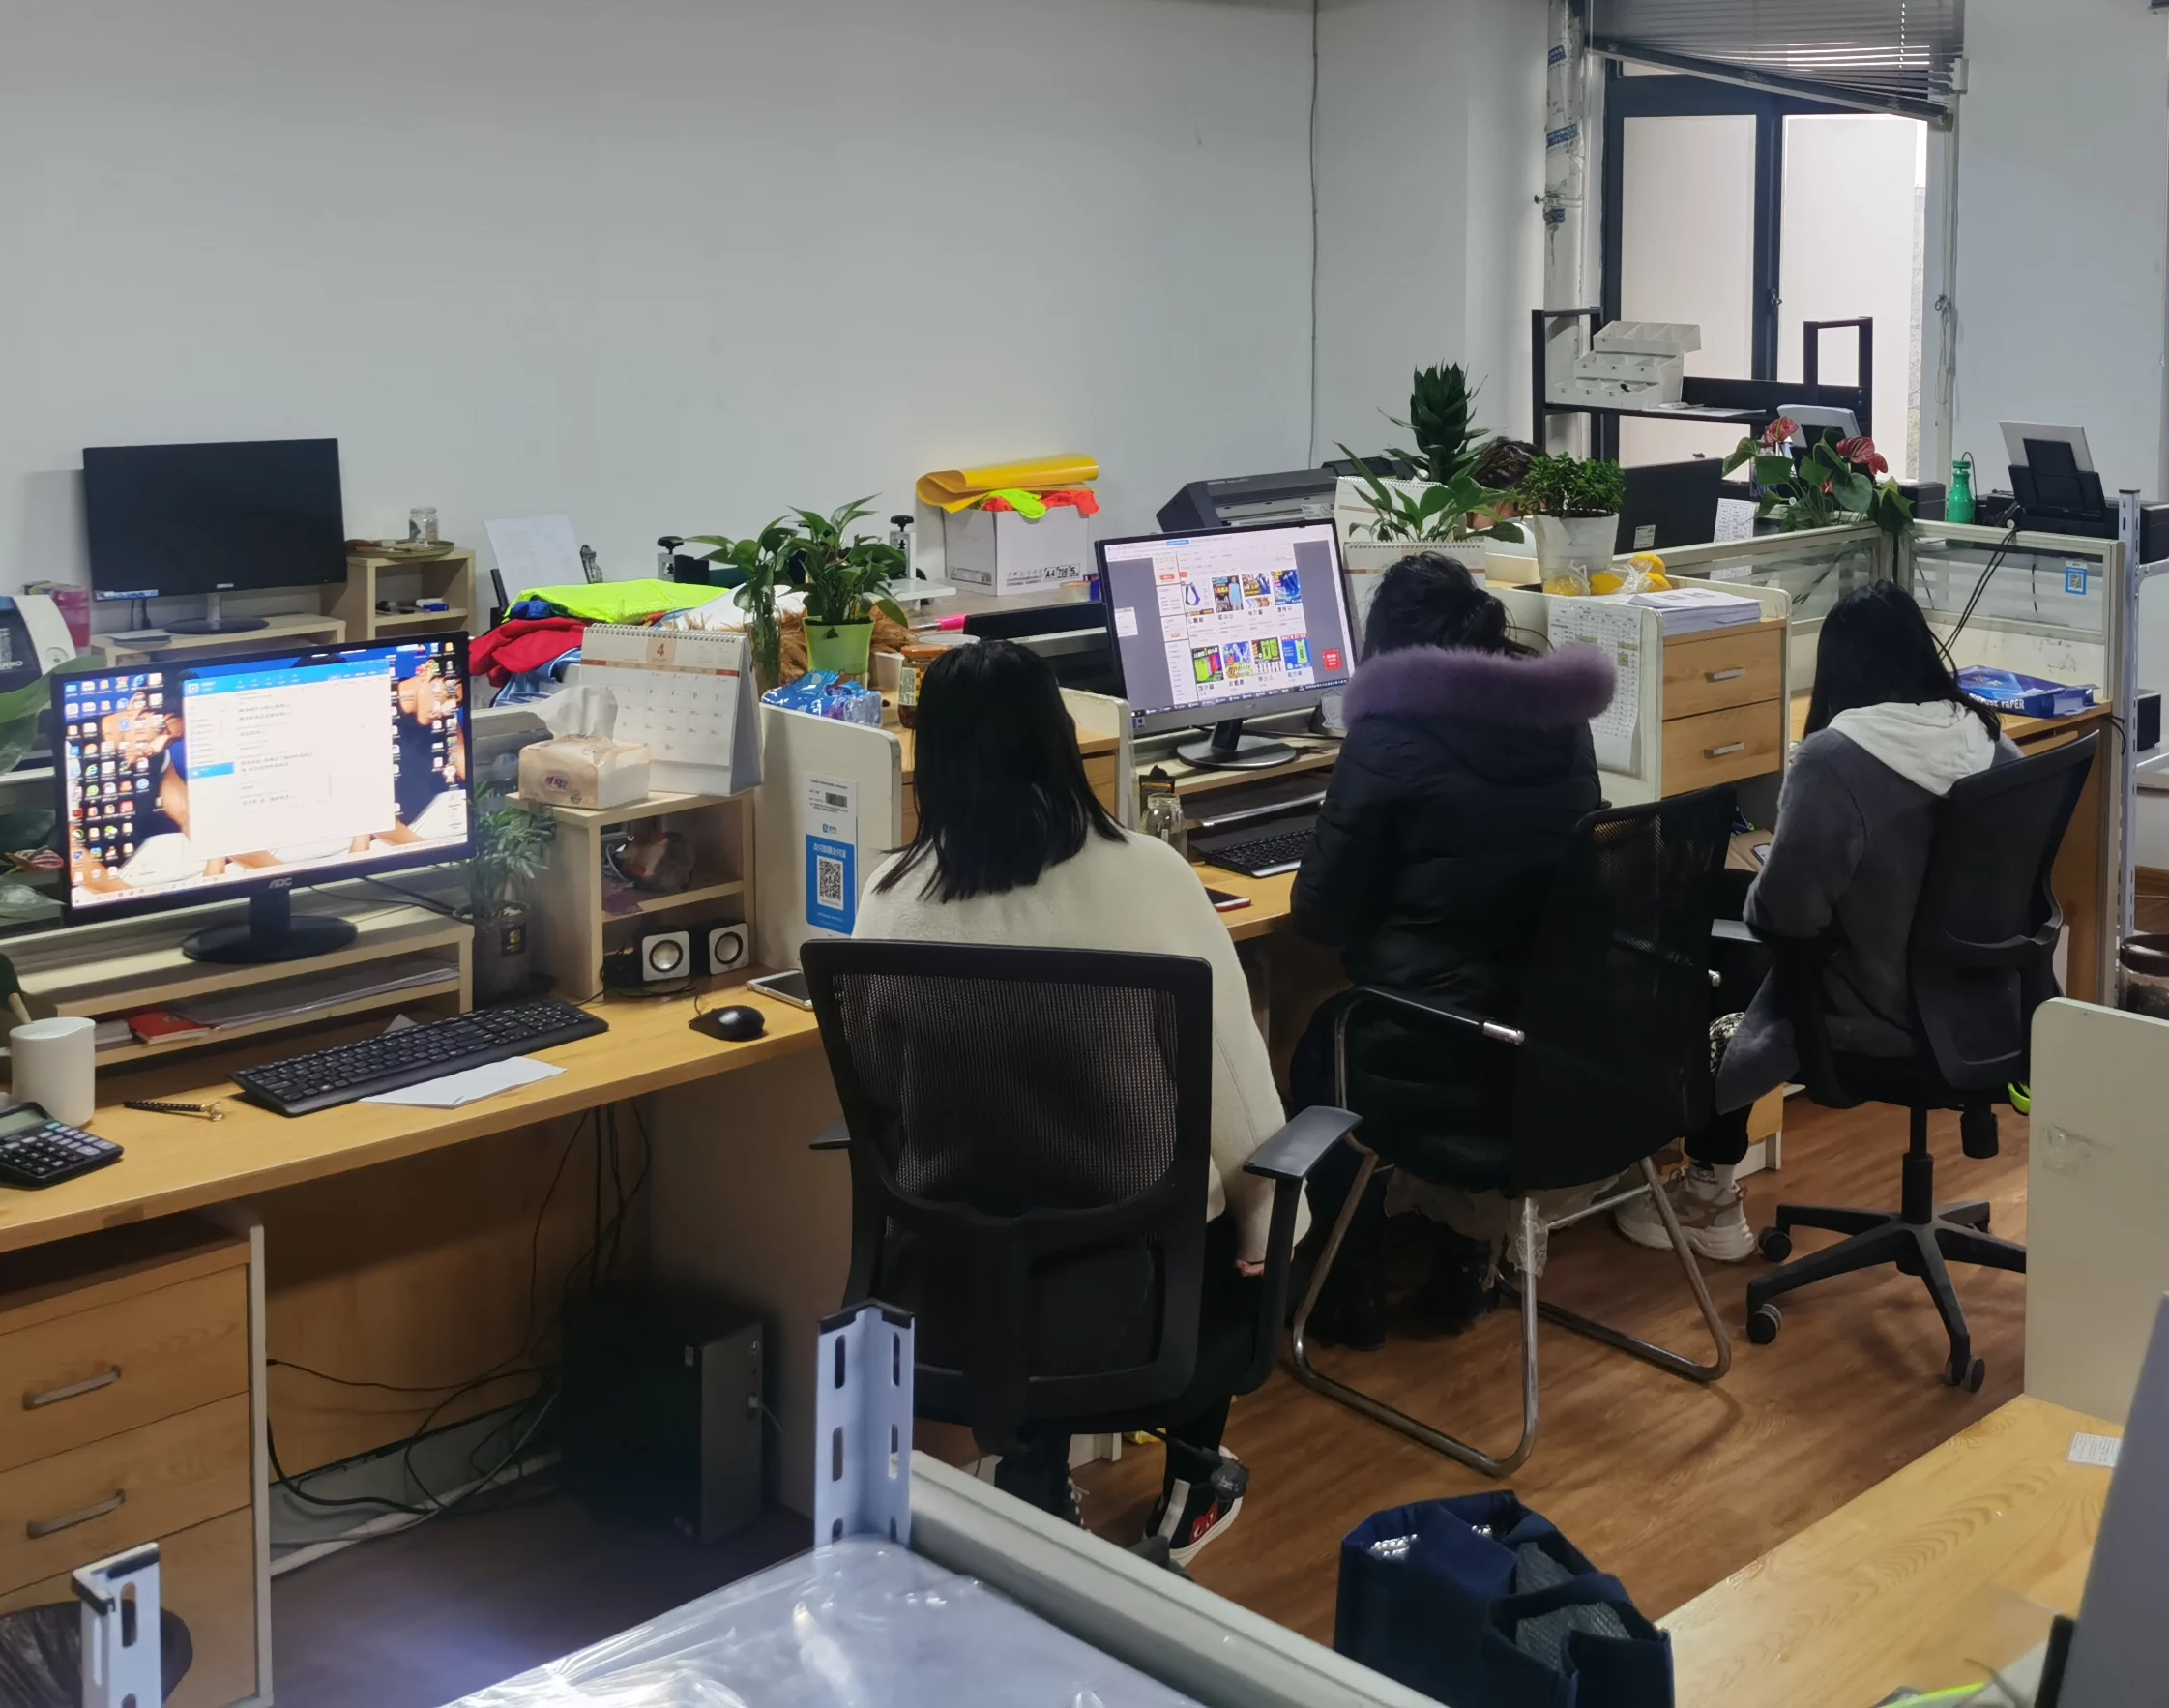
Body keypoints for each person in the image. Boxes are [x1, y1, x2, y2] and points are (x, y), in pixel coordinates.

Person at [854, 638, 1283, 1572]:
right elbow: (1239, 1103)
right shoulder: (1148, 877)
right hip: (1134, 1293)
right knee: (1234, 1208)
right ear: (1057, 741)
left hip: (954, 1285)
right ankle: (1195, 1477)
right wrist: (1267, 1219)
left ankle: (1035, 1477)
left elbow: (883, 1093)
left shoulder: (885, 900)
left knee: (1029, 1189)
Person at [1625, 582, 2019, 1262]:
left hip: (1883, 1010)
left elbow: (1785, 915)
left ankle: (1707, 1191)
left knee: (1726, 947)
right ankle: (1705, 1182)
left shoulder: (1836, 758)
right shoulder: (1989, 739)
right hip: (1982, 1004)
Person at [1289, 551, 1614, 1340]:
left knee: (1322, 1045)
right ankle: (1464, 1261)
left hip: (1437, 1047)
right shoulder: (1561, 719)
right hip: (1552, 1045)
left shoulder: (1388, 737)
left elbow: (1319, 916)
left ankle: (1349, 1293)